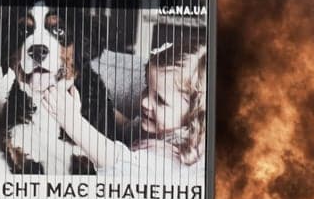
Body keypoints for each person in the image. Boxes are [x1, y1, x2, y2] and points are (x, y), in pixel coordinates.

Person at [32, 39, 208, 179]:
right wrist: (99, 104)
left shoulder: (176, 159)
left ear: (194, 115)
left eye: (160, 100)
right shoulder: (158, 125)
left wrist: (72, 121)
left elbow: (118, 161)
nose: (145, 102)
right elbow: (127, 126)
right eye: (147, 88)